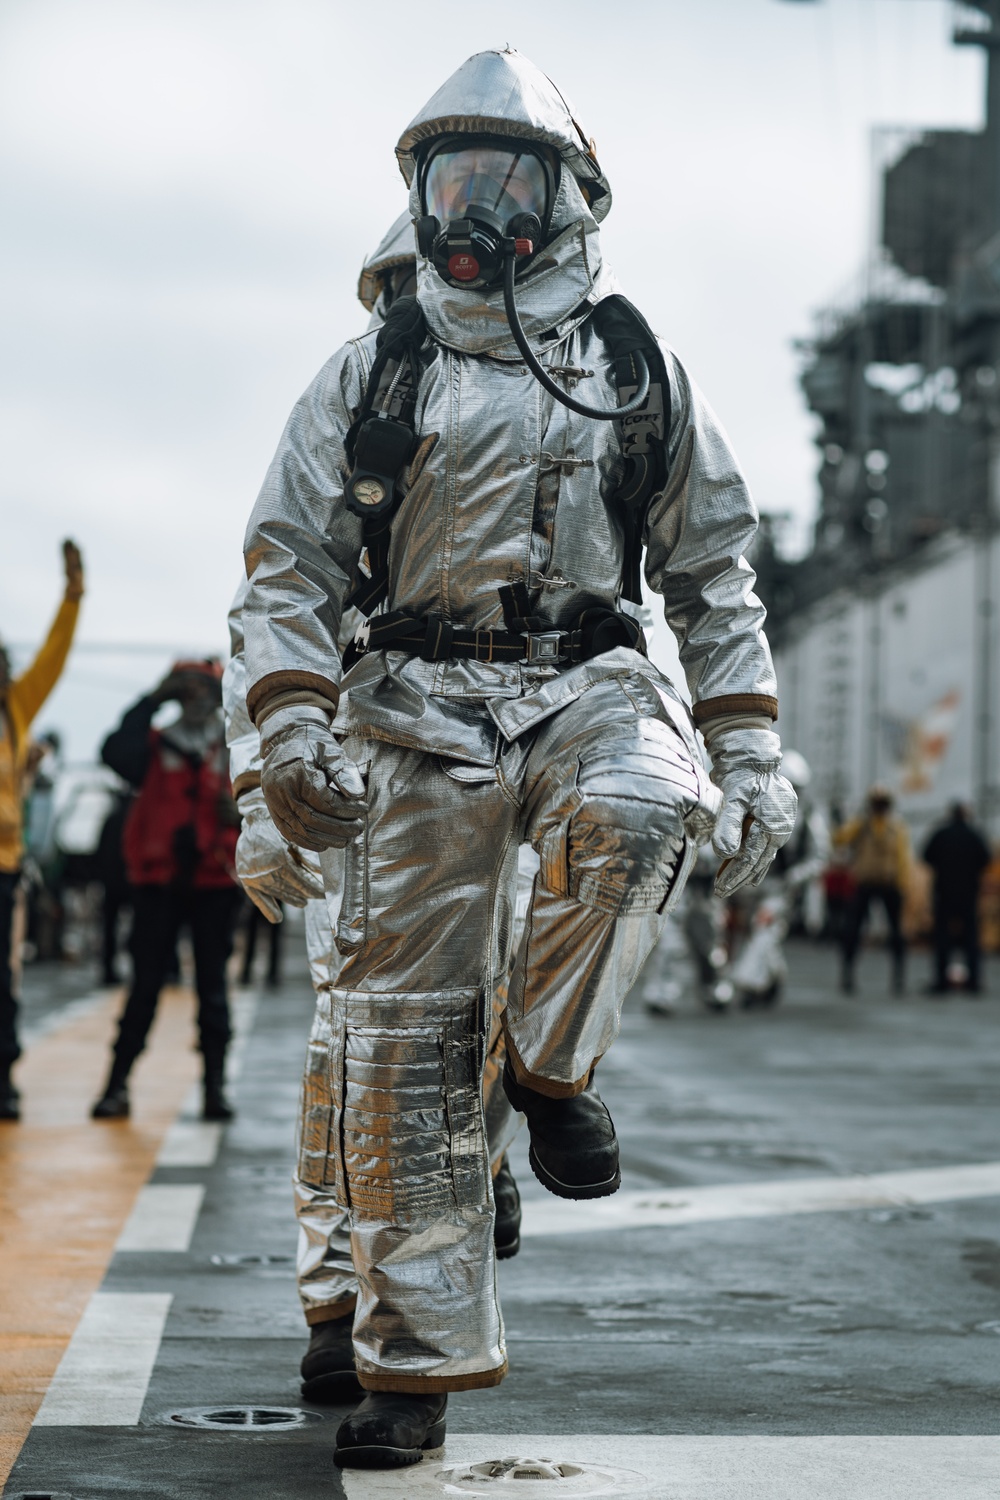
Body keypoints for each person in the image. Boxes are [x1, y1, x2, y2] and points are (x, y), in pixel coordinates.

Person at [241, 49, 796, 1467]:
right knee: (402, 1052)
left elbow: (714, 565)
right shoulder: (373, 368)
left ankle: (549, 1077)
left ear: (562, 198)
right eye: (450, 182)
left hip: (587, 677)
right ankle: (403, 1366)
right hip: (411, 700)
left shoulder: (632, 360)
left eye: (501, 180)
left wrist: (747, 748)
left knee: (644, 810)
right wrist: (289, 731)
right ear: (418, 199)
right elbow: (290, 564)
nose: (473, 210)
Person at [224, 217, 523, 1406]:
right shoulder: (337, 439)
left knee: (477, 1024)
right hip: (338, 795)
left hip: (461, 787)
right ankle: (333, 1299)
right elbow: (262, 614)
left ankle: (467, 1181)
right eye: (402, 293)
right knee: (345, 1052)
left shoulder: (506, 464)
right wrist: (259, 792)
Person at [92, 660, 241, 1121]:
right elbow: (114, 751)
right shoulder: (155, 746)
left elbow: (274, 797)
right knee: (145, 988)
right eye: (187, 689)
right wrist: (154, 698)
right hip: (158, 885)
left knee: (213, 989)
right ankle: (117, 1086)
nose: (196, 697)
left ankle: (214, 1090)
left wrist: (243, 812)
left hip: (216, 882)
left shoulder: (237, 747)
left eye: (205, 688)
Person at [0, 540, 84, 1121]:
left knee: (2, 983)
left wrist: (73, 595)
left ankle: (3, 1075)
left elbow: (52, 657)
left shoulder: (15, 709)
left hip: (3, 868)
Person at [835, 785, 911, 995]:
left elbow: (903, 857)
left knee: (897, 932)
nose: (879, 808)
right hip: (864, 883)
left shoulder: (896, 827)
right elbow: (840, 838)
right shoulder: (861, 825)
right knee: (853, 930)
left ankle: (899, 977)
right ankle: (847, 974)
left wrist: (903, 883)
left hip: (889, 884)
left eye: (882, 804)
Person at [922, 802, 990, 995]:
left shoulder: (941, 834)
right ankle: (974, 982)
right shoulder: (974, 834)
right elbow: (986, 858)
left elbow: (926, 855)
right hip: (968, 893)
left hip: (944, 892)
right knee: (971, 938)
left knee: (942, 938)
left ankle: (941, 981)